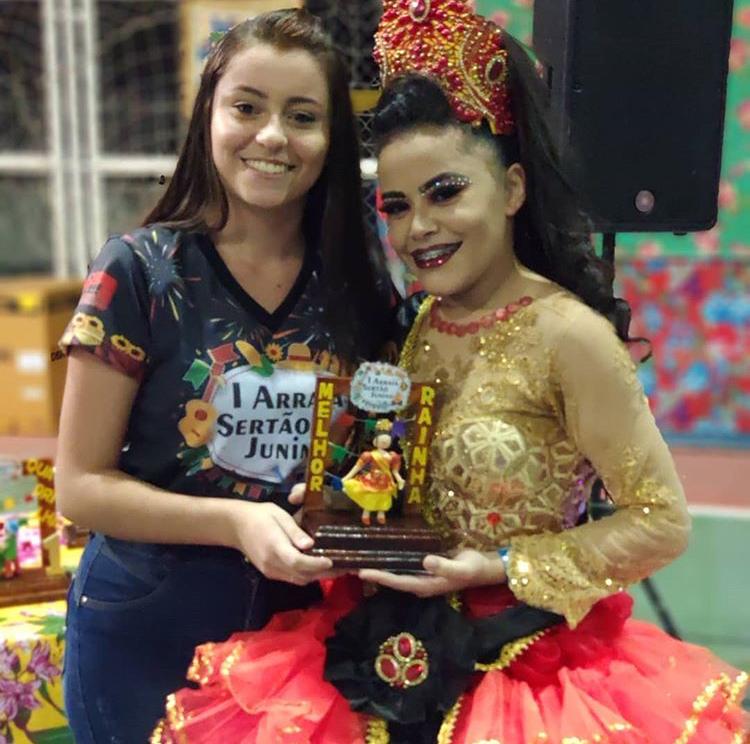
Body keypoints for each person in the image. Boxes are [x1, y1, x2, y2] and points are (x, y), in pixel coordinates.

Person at [152, 2, 749, 742]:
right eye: (396, 206)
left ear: (514, 189)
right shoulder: (419, 323)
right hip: (389, 651)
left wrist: (498, 566)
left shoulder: (570, 336)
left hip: (526, 671)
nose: (418, 228)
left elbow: (660, 521)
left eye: (446, 193)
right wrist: (342, 503)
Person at [55, 9, 393, 743]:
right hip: (147, 627)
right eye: (247, 107)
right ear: (208, 113)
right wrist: (235, 523)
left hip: (306, 637)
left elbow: (380, 456)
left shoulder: (361, 288)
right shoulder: (138, 271)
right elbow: (80, 487)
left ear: (332, 138)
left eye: (302, 116)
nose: (271, 136)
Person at [341, 418, 405, 525]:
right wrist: (347, 477)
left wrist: (399, 479)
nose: (384, 442)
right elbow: (357, 467)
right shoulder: (370, 455)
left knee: (383, 498)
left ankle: (381, 515)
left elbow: (394, 471)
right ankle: (366, 514)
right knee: (370, 496)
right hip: (372, 479)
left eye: (387, 440)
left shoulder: (392, 456)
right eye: (382, 440)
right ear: (375, 441)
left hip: (386, 481)